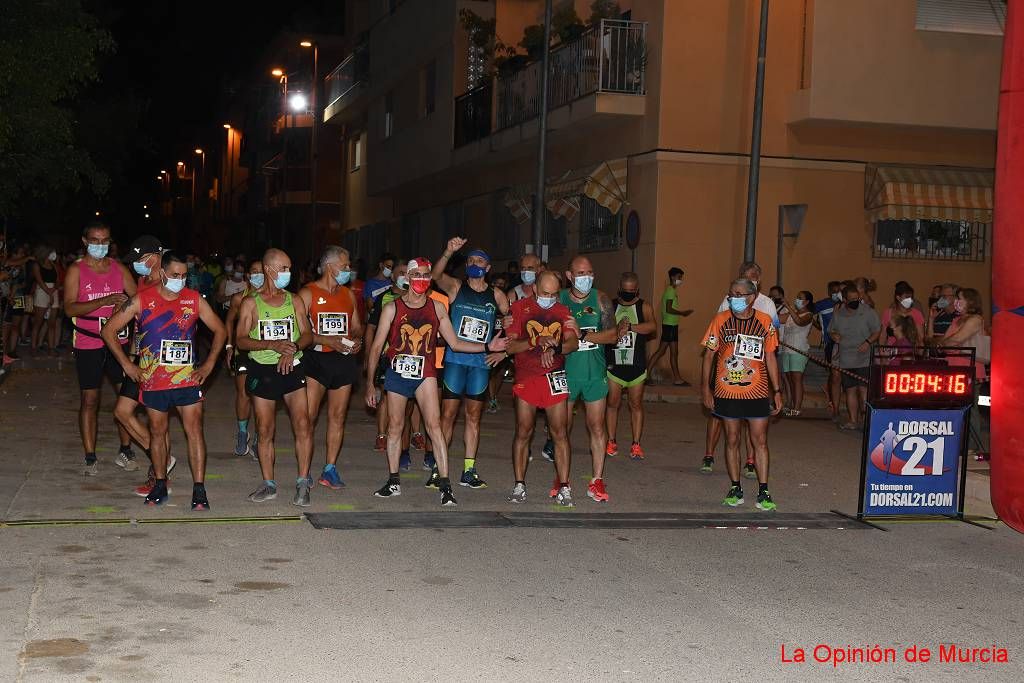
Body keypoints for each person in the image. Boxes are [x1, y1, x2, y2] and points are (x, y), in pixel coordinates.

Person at [364, 257, 507, 506]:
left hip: (425, 373)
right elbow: (376, 348)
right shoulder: (392, 308)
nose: (421, 279)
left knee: (435, 426)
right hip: (397, 373)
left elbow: (455, 343)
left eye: (426, 275)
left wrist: (487, 346)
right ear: (407, 278)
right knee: (395, 427)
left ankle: (445, 484)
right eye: (416, 274)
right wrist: (370, 383)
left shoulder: (437, 308)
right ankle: (394, 480)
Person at [101, 251, 226, 509]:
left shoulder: (193, 300)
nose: (179, 280)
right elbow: (108, 330)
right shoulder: (141, 300)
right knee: (158, 433)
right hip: (154, 380)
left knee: (194, 431)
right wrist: (127, 364)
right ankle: (160, 484)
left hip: (186, 380)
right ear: (161, 274)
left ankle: (199, 490)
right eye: (174, 275)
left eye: (184, 276)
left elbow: (220, 329)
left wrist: (210, 364)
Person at [236, 249, 315, 506]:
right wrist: (271, 345)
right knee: (265, 429)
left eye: (290, 268)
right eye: (284, 268)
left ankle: (303, 482)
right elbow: (241, 340)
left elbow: (306, 334)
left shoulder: (295, 300)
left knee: (303, 423)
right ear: (270, 270)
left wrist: (292, 348)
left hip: (292, 367)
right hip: (263, 370)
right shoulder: (251, 302)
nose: (288, 274)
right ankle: (268, 483)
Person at [431, 238, 510, 489]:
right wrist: (448, 251)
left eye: (480, 261)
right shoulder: (455, 286)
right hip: (455, 360)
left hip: (480, 363)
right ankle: (437, 468)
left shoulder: (496, 295)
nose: (475, 264)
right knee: (448, 415)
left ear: (488, 268)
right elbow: (435, 275)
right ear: (466, 266)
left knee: (474, 417)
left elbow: (513, 324)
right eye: (471, 261)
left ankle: (469, 470)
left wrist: (504, 352)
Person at [700, 278, 783, 511]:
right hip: (727, 392)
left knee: (760, 441)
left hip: (757, 392)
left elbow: (771, 358)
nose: (733, 298)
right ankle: (735, 487)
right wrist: (705, 388)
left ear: (752, 297)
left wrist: (777, 391)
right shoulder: (720, 320)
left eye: (738, 294)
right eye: (731, 294)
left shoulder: (765, 322)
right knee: (732, 439)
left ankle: (764, 490)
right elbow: (708, 356)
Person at [63, 221, 137, 476]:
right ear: (85, 241)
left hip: (118, 341)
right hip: (88, 340)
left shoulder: (118, 268)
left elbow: (138, 298)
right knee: (90, 399)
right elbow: (70, 308)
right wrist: (103, 301)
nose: (100, 246)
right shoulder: (76, 270)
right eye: (95, 241)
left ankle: (125, 450)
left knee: (125, 396)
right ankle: (90, 455)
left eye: (104, 241)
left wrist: (125, 306)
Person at [505, 271, 579, 505]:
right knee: (523, 431)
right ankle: (519, 485)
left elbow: (573, 342)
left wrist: (556, 349)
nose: (549, 298)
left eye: (554, 294)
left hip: (554, 376)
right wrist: (535, 341)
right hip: (527, 376)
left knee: (560, 433)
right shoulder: (519, 308)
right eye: (545, 293)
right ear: (535, 289)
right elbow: (510, 348)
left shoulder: (563, 310)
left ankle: (564, 486)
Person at [559, 256, 626, 503]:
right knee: (561, 428)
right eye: (580, 273)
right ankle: (562, 477)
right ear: (569, 276)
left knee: (597, 427)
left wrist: (582, 334)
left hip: (594, 373)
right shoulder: (560, 299)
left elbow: (613, 335)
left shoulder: (601, 299)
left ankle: (596, 480)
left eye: (589, 272)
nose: (586, 277)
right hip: (565, 373)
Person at [298, 246, 363, 490]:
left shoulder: (347, 294)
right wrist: (327, 340)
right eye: (344, 266)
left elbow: (356, 326)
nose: (348, 270)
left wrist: (357, 340)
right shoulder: (308, 293)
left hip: (343, 360)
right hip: (316, 361)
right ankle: (304, 470)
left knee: (338, 416)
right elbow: (300, 333)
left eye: (349, 266)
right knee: (309, 417)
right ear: (329, 266)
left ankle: (330, 469)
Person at [116, 234, 170, 488]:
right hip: (141, 356)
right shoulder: (141, 280)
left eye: (141, 259)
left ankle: (159, 472)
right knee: (122, 412)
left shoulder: (170, 281)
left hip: (164, 360)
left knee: (158, 420)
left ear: (157, 256)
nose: (136, 264)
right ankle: (161, 457)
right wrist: (132, 356)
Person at [605, 272, 657, 459]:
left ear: (637, 290)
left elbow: (652, 327)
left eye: (631, 291)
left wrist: (631, 327)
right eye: (624, 290)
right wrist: (616, 329)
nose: (628, 293)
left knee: (636, 404)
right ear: (619, 288)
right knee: (612, 403)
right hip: (614, 363)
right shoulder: (611, 305)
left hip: (635, 364)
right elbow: (602, 328)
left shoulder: (644, 306)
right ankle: (611, 441)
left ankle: (636, 444)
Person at [364, 261, 408, 452]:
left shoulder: (417, 298)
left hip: (412, 356)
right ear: (392, 276)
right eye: (401, 272)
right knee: (387, 395)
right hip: (388, 356)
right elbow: (371, 328)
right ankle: (382, 434)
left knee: (412, 400)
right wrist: (368, 355)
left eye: (408, 273)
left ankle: (414, 434)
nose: (405, 276)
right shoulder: (384, 298)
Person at [225, 259, 264, 456]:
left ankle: (259, 436)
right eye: (255, 272)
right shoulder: (239, 299)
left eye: (262, 272)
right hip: (243, 352)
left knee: (261, 396)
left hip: (265, 353)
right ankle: (242, 433)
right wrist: (229, 346)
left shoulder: (272, 299)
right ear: (248, 275)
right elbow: (230, 321)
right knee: (243, 392)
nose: (259, 276)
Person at [829, 283, 881, 431]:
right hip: (846, 358)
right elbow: (831, 330)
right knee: (850, 390)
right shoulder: (839, 314)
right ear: (844, 300)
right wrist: (834, 336)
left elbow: (877, 330)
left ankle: (867, 421)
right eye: (851, 299)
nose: (855, 301)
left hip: (864, 357)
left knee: (864, 390)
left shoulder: (868, 312)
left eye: (856, 298)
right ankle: (853, 420)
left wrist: (868, 342)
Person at [647, 267, 692, 385]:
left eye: (681, 278)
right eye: (679, 277)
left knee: (671, 352)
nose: (680, 280)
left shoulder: (671, 290)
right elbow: (668, 309)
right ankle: (647, 375)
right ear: (672, 277)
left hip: (671, 325)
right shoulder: (670, 291)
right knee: (662, 352)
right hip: (670, 325)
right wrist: (682, 313)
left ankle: (677, 379)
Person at [779, 290, 815, 416]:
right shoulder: (790, 314)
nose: (797, 300)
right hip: (786, 350)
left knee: (797, 379)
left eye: (800, 298)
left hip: (799, 350)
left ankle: (797, 407)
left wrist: (788, 306)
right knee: (789, 379)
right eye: (797, 297)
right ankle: (792, 404)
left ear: (807, 302)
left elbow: (799, 322)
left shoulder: (809, 315)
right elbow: (775, 320)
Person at [813, 281, 844, 421]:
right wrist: (818, 325)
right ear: (828, 291)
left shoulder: (846, 304)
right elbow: (809, 313)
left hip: (846, 343)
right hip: (830, 342)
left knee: (842, 374)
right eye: (833, 290)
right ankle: (832, 400)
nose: (836, 293)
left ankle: (830, 390)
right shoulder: (823, 304)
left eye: (839, 290)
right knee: (834, 373)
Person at [30, 246, 61, 356]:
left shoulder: (54, 265)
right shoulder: (36, 265)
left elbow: (57, 280)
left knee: (52, 323)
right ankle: (34, 347)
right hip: (42, 291)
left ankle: (51, 348)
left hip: (53, 291)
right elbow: (39, 280)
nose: (54, 253)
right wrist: (49, 292)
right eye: (52, 251)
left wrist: (53, 290)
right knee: (38, 322)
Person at [881, 281, 925, 347]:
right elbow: (883, 335)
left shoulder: (917, 314)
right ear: (898, 298)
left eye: (911, 297)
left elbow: (921, 338)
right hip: (891, 351)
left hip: (910, 351)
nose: (910, 300)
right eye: (907, 297)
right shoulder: (888, 313)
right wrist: (881, 350)